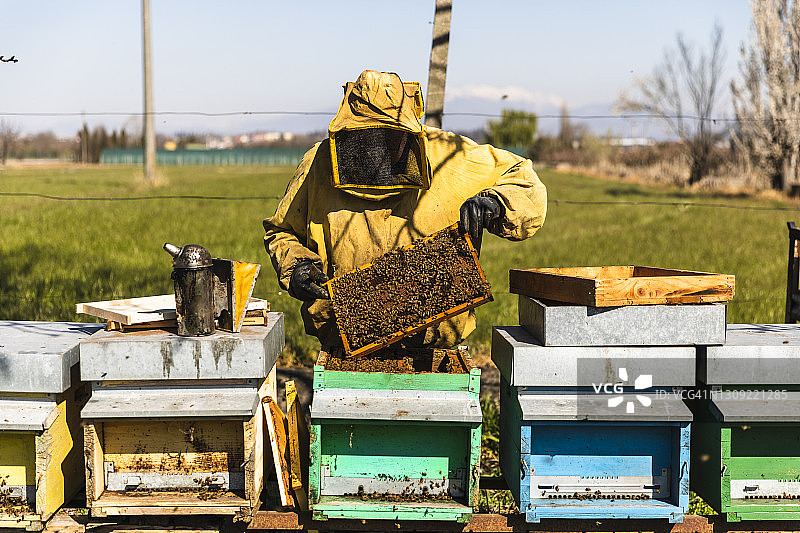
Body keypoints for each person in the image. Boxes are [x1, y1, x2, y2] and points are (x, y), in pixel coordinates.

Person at [264, 70, 547, 349]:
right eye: (366, 138)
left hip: (435, 339)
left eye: (387, 138)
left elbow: (523, 178)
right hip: (343, 333)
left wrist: (497, 202)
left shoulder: (451, 155)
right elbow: (282, 231)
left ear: (408, 133)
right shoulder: (318, 162)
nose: (376, 149)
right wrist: (297, 266)